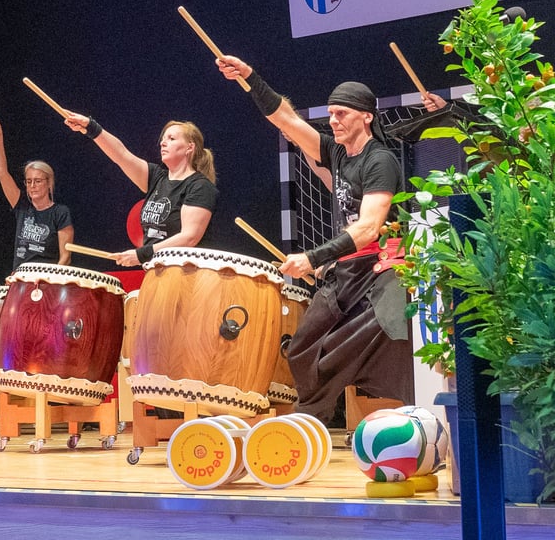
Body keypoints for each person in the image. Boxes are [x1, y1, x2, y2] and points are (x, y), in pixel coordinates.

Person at [217, 55, 414, 423]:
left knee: (340, 351)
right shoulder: (337, 154)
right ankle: (311, 421)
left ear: (366, 115)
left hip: (382, 272)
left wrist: (312, 256)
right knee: (302, 349)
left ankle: (310, 421)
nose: (333, 121)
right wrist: (249, 76)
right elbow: (287, 121)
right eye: (331, 114)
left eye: (342, 114)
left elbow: (370, 227)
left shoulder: (380, 160)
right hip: (347, 273)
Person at [62, 113, 219, 265]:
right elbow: (121, 155)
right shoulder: (156, 177)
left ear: (189, 148)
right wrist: (90, 127)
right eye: (163, 139)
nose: (163, 143)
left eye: (171, 139)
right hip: (155, 270)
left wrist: (141, 254)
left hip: (184, 275)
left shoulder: (200, 186)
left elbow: (189, 237)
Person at [0, 115, 74, 271]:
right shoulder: (22, 206)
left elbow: (65, 257)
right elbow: (1, 173)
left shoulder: (60, 212)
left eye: (38, 181)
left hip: (47, 280)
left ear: (49, 183)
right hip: (20, 277)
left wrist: (49, 279)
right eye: (29, 181)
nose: (32, 186)